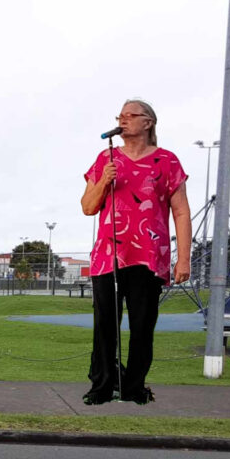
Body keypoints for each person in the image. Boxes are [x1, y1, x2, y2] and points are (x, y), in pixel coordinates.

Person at [79, 99, 192, 405]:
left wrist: (184, 258)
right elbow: (88, 207)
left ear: (148, 122)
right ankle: (101, 386)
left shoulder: (167, 161)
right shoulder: (106, 159)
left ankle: (134, 387)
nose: (124, 120)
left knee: (143, 326)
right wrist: (105, 180)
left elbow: (181, 212)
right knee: (104, 325)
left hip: (148, 256)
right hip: (108, 256)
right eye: (120, 116)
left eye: (131, 115)